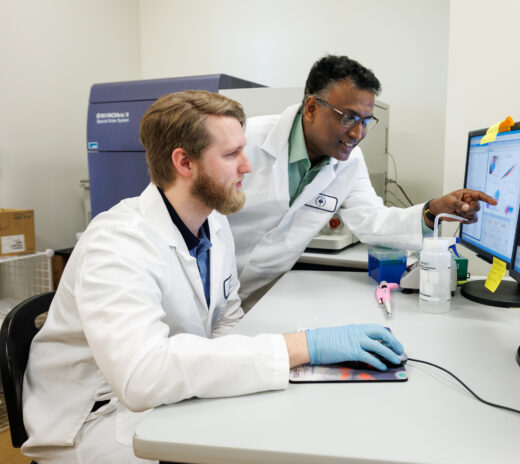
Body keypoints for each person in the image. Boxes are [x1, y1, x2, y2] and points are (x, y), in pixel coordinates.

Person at [21, 90, 404, 463]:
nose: (247, 166)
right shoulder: (117, 243)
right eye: (232, 154)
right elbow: (141, 376)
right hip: (95, 418)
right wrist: (301, 347)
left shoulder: (213, 224)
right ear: (184, 163)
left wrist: (299, 364)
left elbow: (226, 321)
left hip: (163, 395)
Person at [228, 55, 497, 308]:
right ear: (312, 108)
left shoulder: (350, 162)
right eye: (349, 118)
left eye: (366, 121)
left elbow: (371, 221)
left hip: (260, 299)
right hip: (204, 292)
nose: (358, 133)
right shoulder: (243, 140)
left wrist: (432, 211)